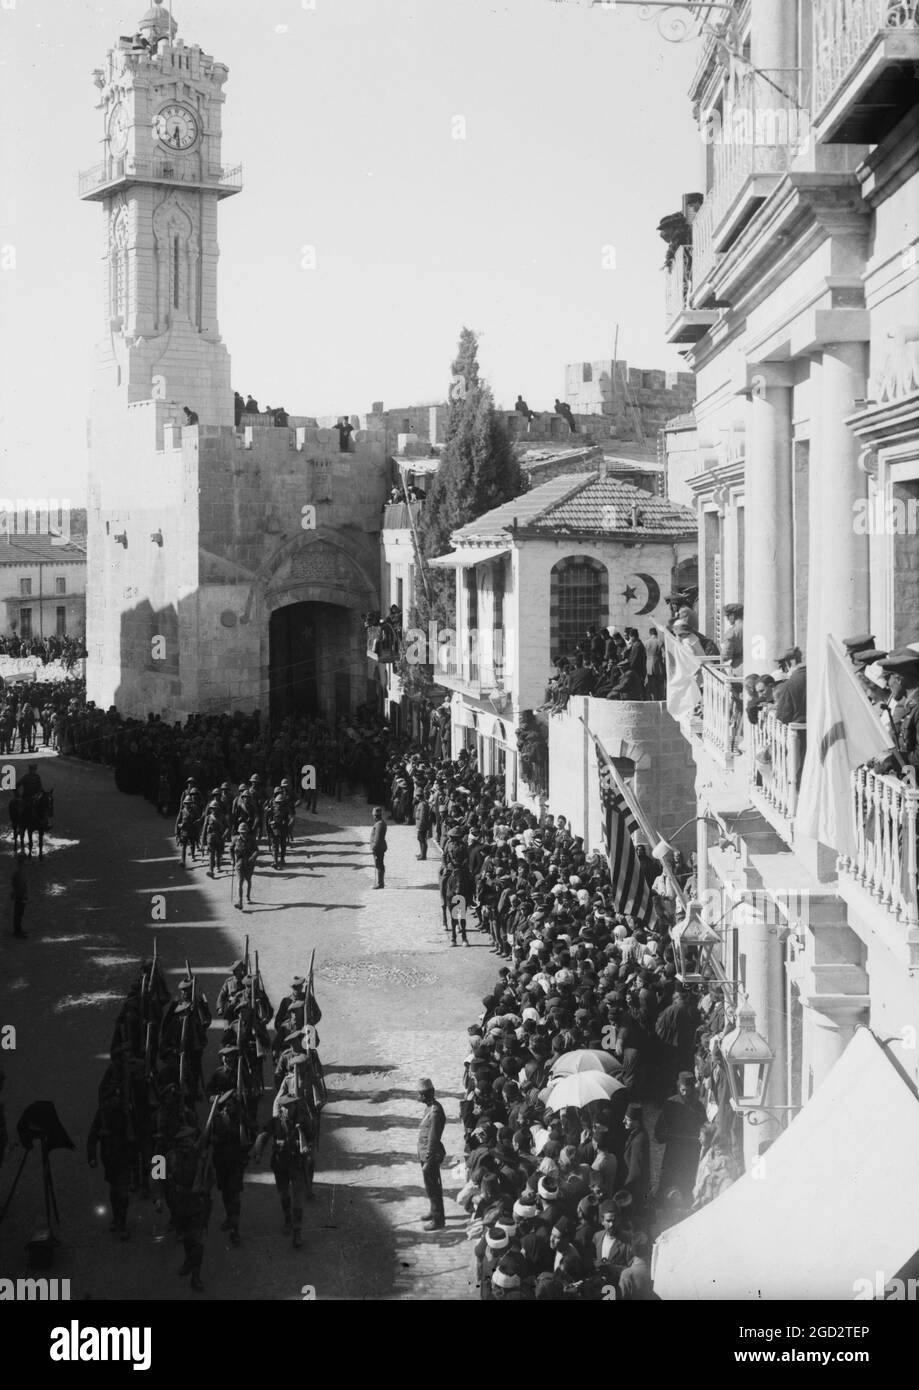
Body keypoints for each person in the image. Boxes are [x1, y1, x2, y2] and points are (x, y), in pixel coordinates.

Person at [653, 1071, 705, 1204]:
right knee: (669, 1180)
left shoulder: (698, 1107)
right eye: (682, 1090)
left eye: (688, 1090)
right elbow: (659, 1131)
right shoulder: (671, 1104)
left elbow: (704, 1128)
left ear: (693, 1089)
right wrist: (668, 1136)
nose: (685, 1093)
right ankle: (664, 1203)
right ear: (678, 1087)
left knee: (687, 1181)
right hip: (674, 1152)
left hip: (690, 1153)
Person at [416, 1078, 446, 1231]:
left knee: (434, 1188)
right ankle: (433, 1210)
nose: (418, 1097)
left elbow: (433, 1139)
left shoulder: (435, 1112)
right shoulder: (429, 1108)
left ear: (426, 1095)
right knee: (430, 1186)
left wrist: (428, 1160)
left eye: (420, 1094)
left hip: (430, 1156)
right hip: (424, 1154)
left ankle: (438, 1220)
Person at [774, 647, 806, 724]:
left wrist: (777, 707)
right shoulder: (816, 675)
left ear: (789, 663)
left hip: (800, 732)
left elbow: (782, 716)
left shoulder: (789, 685)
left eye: (782, 664)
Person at [370, 805, 387, 889]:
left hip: (378, 848)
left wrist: (374, 848)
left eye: (373, 815)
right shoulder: (380, 823)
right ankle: (380, 882)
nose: (373, 817)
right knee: (380, 864)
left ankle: (380, 883)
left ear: (376, 816)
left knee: (379, 865)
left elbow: (377, 839)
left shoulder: (379, 824)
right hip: (380, 847)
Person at [11, 854, 27, 938]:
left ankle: (18, 929)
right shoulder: (18, 871)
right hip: (19, 894)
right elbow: (16, 883)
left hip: (20, 893)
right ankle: (17, 931)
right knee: (18, 913)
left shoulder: (19, 871)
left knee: (20, 913)